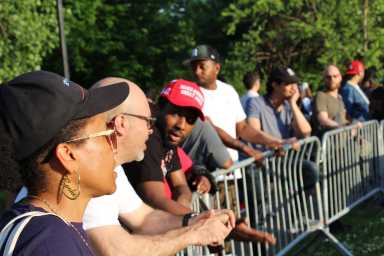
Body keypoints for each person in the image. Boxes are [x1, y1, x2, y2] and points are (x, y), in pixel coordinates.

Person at [84, 77, 235, 256]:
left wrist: (198, 220)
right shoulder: (87, 170)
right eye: (147, 120)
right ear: (121, 123)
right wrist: (194, 233)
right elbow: (118, 250)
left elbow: (144, 218)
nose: (150, 129)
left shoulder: (111, 166)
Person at [124, 79, 276, 245]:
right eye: (175, 113)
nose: (181, 125)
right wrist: (202, 221)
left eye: (190, 120)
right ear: (160, 106)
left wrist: (185, 214)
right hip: (128, 237)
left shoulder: (169, 141)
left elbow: (181, 186)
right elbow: (156, 198)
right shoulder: (150, 138)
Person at [0, 71, 129, 255]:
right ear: (68, 155)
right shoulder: (50, 243)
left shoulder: (45, 229)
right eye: (107, 135)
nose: (115, 146)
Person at [184, 45, 288, 173]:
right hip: (206, 175)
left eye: (201, 66)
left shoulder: (228, 90)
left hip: (232, 171)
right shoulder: (190, 94)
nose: (196, 71)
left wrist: (272, 142)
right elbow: (211, 131)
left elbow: (242, 128)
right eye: (193, 67)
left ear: (217, 68)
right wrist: (247, 149)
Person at [245, 66, 311, 151]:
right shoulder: (255, 103)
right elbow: (254, 131)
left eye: (294, 84)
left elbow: (306, 133)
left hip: (281, 162)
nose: (294, 89)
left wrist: (293, 104)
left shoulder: (289, 106)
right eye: (288, 84)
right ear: (275, 85)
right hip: (261, 161)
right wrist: (281, 143)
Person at [312, 65, 349, 137]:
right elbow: (323, 120)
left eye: (335, 76)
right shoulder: (321, 95)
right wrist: (343, 129)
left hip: (343, 142)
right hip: (329, 144)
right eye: (328, 77)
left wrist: (352, 126)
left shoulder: (340, 98)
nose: (332, 79)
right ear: (324, 79)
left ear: (340, 78)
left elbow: (342, 120)